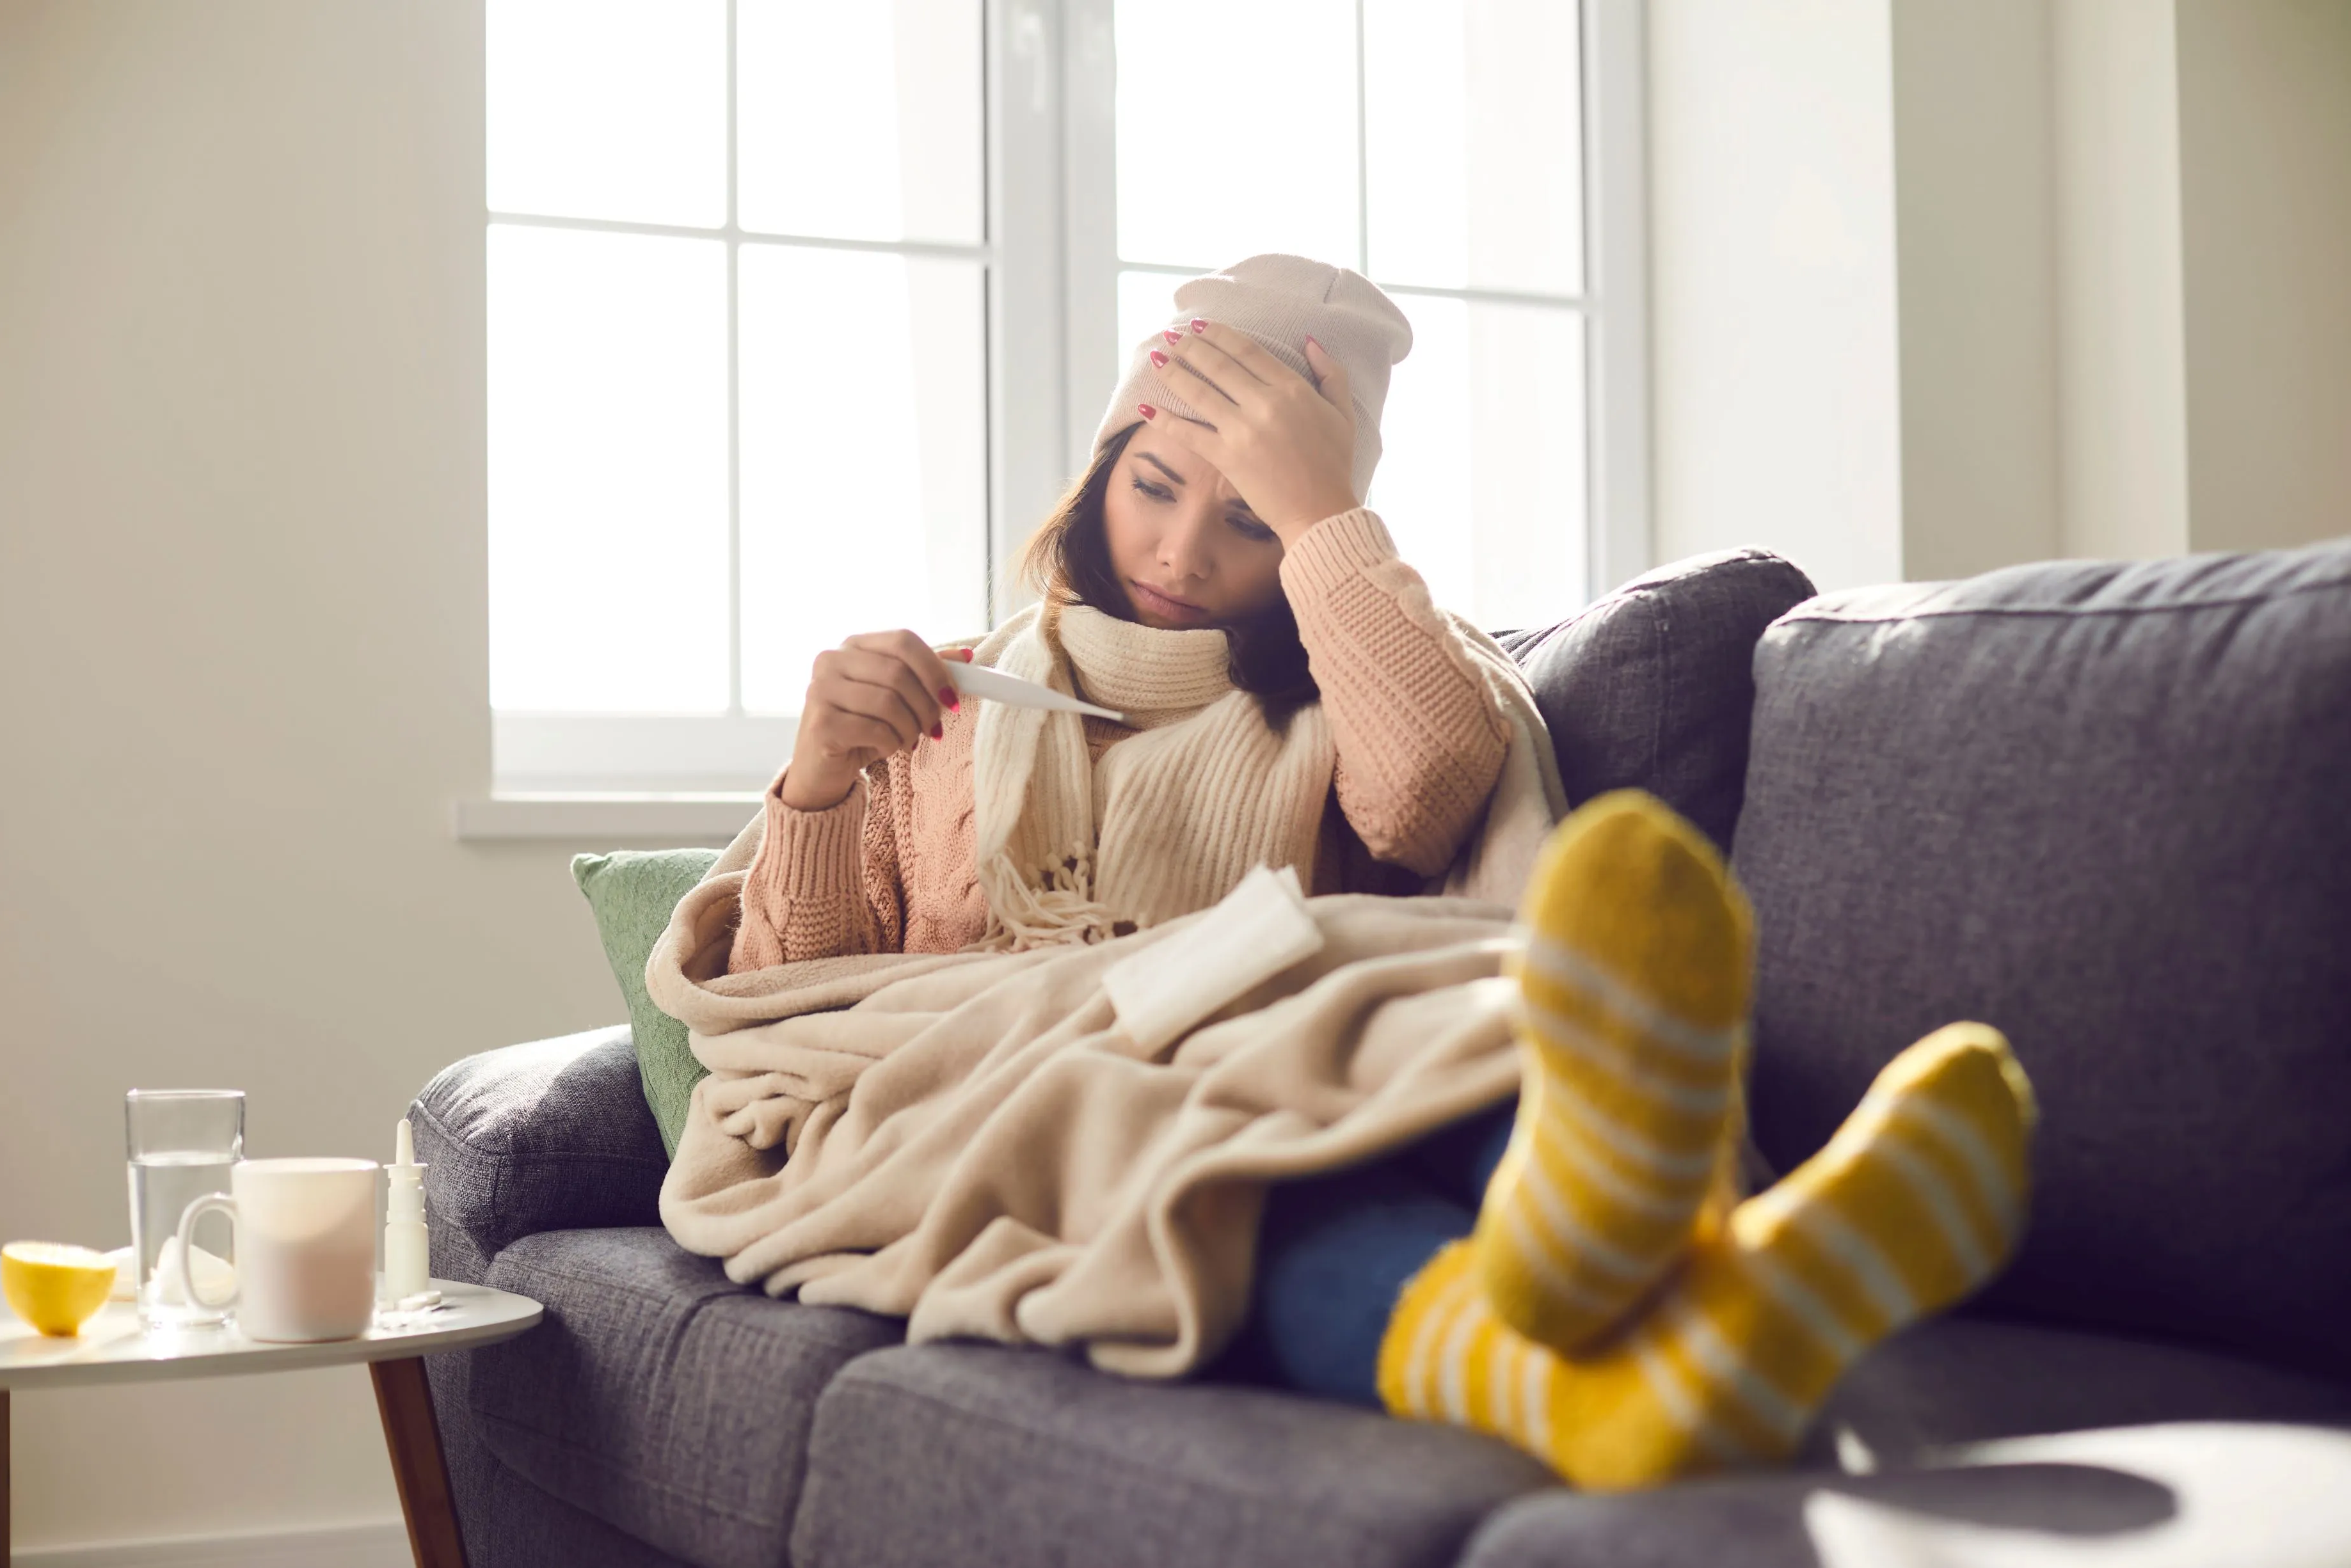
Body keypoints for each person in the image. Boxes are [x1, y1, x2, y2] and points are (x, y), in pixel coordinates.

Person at [727, 255, 2036, 1491]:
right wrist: (817, 788)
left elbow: (1422, 803)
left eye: (1248, 520)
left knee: (1445, 1049)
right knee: (1223, 1203)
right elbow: (796, 1014)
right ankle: (1648, 1354)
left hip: (1285, 1076)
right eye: (1153, 487)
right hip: (1041, 1120)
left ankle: (1693, 1270)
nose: (1183, 552)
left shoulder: (1357, 682)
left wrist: (1322, 516)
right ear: (1100, 469)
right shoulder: (939, 698)